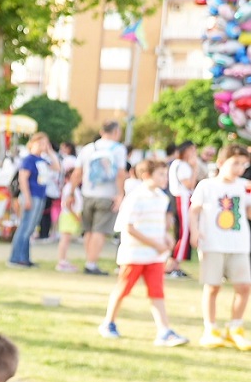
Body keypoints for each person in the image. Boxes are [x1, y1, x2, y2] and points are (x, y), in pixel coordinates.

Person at [99, 159, 186, 346]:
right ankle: (109, 322)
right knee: (123, 289)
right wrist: (154, 243)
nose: (165, 178)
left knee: (157, 292)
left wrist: (165, 237)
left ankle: (164, 331)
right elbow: (128, 227)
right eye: (160, 174)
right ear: (146, 175)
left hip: (155, 256)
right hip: (135, 254)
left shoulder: (161, 198)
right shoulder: (136, 197)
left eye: (165, 174)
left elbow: (158, 224)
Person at [189, 144, 251, 350]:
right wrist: (195, 231)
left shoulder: (245, 186)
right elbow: (194, 210)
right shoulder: (206, 185)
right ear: (221, 163)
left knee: (244, 286)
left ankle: (235, 327)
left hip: (239, 243)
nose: (240, 169)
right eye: (235, 163)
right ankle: (211, 329)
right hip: (213, 242)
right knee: (213, 286)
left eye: (244, 164)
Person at [77, 121, 129, 275]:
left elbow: (77, 172)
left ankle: (89, 261)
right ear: (116, 132)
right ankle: (91, 264)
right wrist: (120, 194)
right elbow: (120, 174)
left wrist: (71, 192)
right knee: (99, 231)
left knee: (88, 230)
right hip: (108, 195)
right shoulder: (118, 149)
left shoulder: (88, 148)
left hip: (87, 193)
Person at [8, 133, 53, 268]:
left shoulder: (43, 160)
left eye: (44, 143)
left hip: (40, 195)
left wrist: (49, 151)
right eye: (39, 143)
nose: (42, 146)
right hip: (31, 195)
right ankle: (15, 257)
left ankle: (25, 257)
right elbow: (23, 178)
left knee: (31, 228)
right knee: (25, 226)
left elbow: (57, 167)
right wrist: (27, 197)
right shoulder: (28, 159)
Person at [166, 141, 199, 276]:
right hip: (182, 198)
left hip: (180, 198)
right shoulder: (182, 165)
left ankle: (174, 265)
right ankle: (173, 265)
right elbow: (189, 184)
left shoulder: (177, 163)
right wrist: (195, 168)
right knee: (183, 233)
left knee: (182, 232)